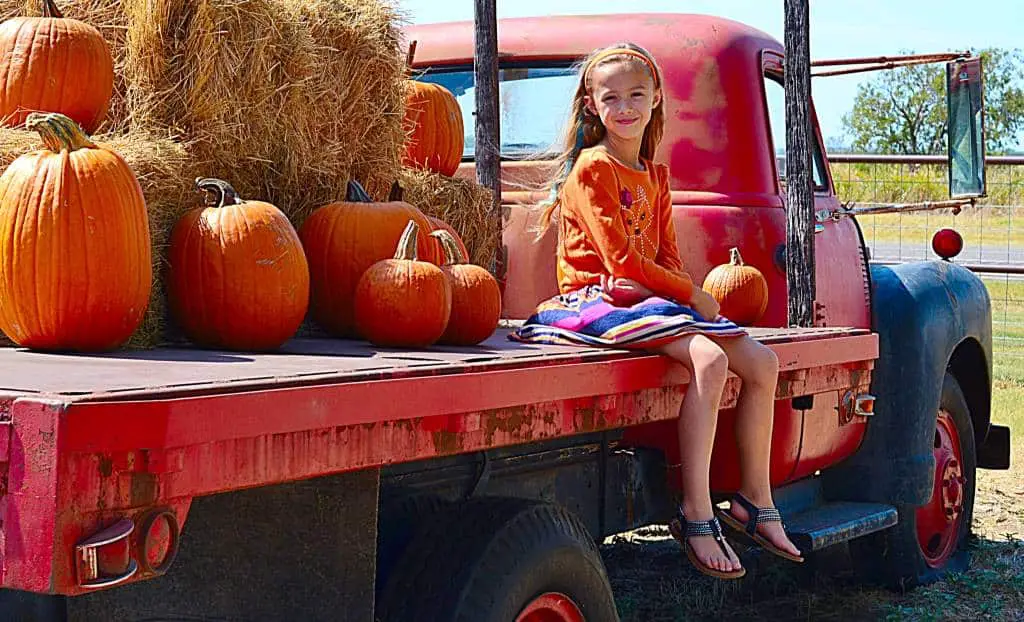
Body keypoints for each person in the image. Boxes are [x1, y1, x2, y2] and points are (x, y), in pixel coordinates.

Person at [509, 42, 803, 579]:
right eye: (612, 97)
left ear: (656, 99)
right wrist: (692, 294)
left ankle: (755, 502)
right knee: (710, 361)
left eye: (636, 95)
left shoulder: (655, 175)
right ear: (592, 105)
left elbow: (662, 256)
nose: (625, 107)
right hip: (593, 297)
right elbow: (619, 260)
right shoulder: (593, 170)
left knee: (763, 363)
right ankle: (694, 512)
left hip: (644, 297)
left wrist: (684, 292)